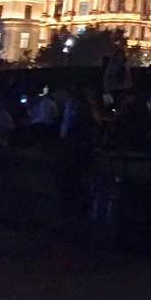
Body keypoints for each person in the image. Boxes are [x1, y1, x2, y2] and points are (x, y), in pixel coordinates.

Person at [57, 88, 98, 216]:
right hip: (82, 155)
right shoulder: (89, 117)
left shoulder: (79, 119)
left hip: (75, 155)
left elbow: (67, 135)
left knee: (73, 183)